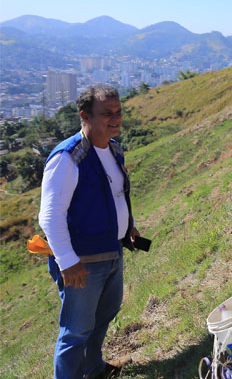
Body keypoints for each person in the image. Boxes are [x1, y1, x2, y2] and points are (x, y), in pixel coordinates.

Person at [39, 85, 141, 379]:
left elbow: (112, 195)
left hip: (111, 251)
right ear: (85, 116)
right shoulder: (68, 157)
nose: (115, 118)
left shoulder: (113, 148)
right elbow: (50, 216)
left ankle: (94, 369)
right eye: (106, 113)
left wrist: (128, 226)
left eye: (118, 111)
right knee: (75, 332)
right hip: (82, 263)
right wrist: (68, 261)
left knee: (103, 317)